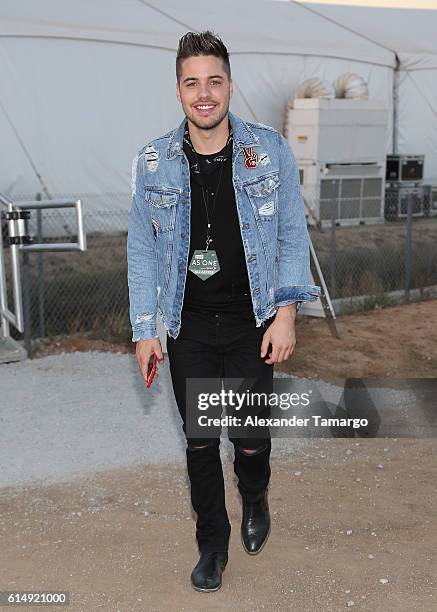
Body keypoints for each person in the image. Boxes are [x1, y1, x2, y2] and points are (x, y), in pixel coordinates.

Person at [127, 30, 321, 592]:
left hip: (252, 317)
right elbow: (141, 246)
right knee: (200, 442)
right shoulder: (153, 160)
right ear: (180, 91)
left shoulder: (269, 150)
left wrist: (286, 312)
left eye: (214, 81)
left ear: (230, 86)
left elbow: (290, 232)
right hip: (187, 322)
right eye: (193, 83)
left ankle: (255, 494)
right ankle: (213, 546)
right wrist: (146, 329)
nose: (204, 94)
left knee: (250, 437)